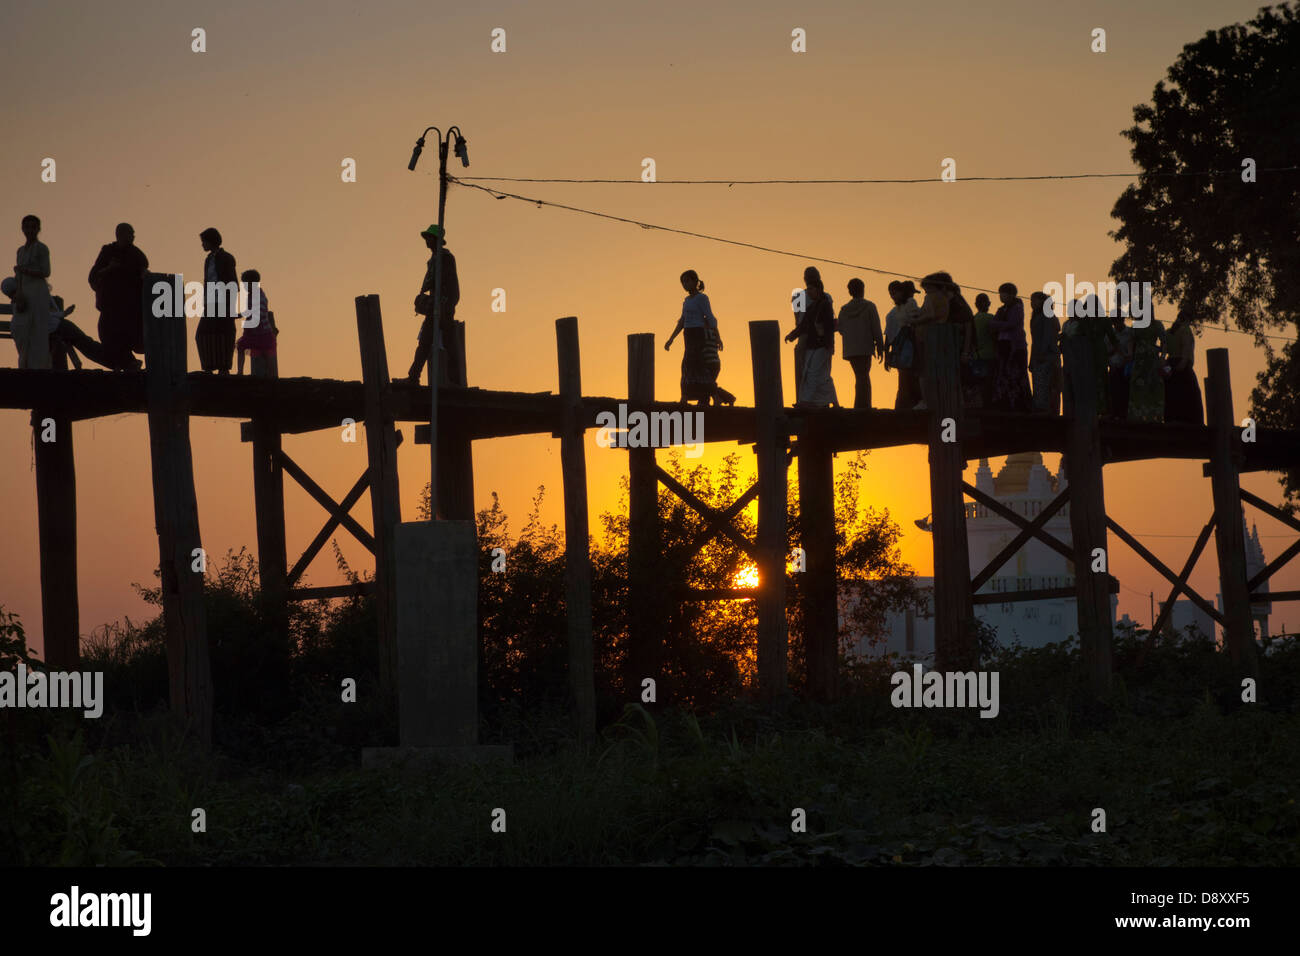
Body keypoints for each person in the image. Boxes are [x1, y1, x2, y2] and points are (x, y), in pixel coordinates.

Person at [405, 223, 462, 386]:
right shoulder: (435, 259)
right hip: (435, 307)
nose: (426, 240)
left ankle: (455, 382)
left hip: (444, 307)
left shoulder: (445, 258)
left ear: (435, 239)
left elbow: (452, 286)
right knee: (424, 342)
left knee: (450, 345)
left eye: (429, 237)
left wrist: (446, 306)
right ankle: (413, 377)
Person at [87, 222, 149, 369]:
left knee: (130, 336)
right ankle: (129, 363)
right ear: (120, 234)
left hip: (131, 306)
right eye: (130, 233)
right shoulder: (108, 252)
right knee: (108, 336)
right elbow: (94, 275)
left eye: (133, 234)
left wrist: (145, 275)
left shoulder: (136, 254)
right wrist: (110, 268)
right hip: (111, 304)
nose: (132, 237)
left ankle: (130, 363)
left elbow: (144, 271)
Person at [665, 269, 728, 405]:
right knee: (687, 366)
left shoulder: (702, 298)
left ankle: (713, 395)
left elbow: (710, 317)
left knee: (695, 364)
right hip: (688, 335)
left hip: (698, 333)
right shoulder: (686, 301)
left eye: (687, 281)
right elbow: (682, 321)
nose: (685, 284)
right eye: (683, 282)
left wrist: (718, 337)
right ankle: (686, 396)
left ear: (695, 281)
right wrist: (671, 339)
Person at [785, 276, 839, 408]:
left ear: (818, 289)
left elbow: (829, 326)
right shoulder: (812, 307)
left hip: (822, 345)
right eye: (808, 289)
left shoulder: (825, 305)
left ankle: (805, 401)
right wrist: (792, 335)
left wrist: (829, 344)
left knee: (813, 373)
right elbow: (804, 325)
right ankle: (834, 402)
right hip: (814, 345)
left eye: (811, 289)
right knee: (822, 376)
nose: (808, 292)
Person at [11, 215, 54, 369]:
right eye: (27, 227)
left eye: (33, 227)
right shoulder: (20, 251)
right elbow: (19, 277)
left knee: (37, 330)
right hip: (24, 293)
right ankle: (24, 365)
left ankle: (39, 368)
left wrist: (25, 270)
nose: (30, 230)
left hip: (38, 292)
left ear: (38, 229)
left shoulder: (42, 248)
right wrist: (17, 291)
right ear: (23, 229)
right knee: (20, 329)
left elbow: (45, 271)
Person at [195, 227, 238, 374]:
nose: (202, 245)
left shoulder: (226, 258)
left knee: (224, 333)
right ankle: (209, 365)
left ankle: (224, 367)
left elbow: (232, 282)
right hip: (211, 301)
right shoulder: (208, 260)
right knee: (203, 333)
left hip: (223, 300)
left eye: (204, 242)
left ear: (211, 241)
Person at [837, 277, 884, 409]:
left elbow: (841, 329)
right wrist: (880, 347)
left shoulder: (844, 310)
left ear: (850, 292)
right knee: (863, 376)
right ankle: (864, 405)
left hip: (850, 349)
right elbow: (876, 328)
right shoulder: (869, 306)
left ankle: (860, 404)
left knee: (859, 376)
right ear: (863, 290)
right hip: (865, 348)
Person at [989, 282, 1031, 411]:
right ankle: (1005, 402)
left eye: (1003, 294)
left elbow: (1011, 324)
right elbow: (993, 324)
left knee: (1016, 374)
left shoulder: (1017, 308)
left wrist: (998, 324)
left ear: (1011, 294)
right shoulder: (1001, 310)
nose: (1001, 296)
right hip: (1002, 345)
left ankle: (1019, 403)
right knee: (1003, 374)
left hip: (1015, 346)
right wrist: (999, 324)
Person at [883, 280, 922, 410]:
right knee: (908, 379)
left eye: (894, 293)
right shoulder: (906, 306)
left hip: (903, 348)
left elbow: (889, 336)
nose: (892, 296)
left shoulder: (897, 310)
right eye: (891, 294)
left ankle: (902, 407)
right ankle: (904, 408)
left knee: (906, 380)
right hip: (906, 348)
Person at [1163, 308, 1204, 425]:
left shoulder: (1168, 332)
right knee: (1189, 394)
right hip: (1182, 366)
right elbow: (1186, 350)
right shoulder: (1185, 330)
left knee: (1171, 393)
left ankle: (1172, 418)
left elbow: (1165, 352)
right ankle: (1190, 421)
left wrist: (1166, 366)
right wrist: (1182, 365)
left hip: (1170, 365)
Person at [1127, 308, 1167, 424]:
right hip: (1139, 359)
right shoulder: (1136, 325)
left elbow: (1164, 342)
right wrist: (1130, 354)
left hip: (1152, 359)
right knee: (1137, 385)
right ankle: (1137, 414)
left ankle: (1154, 415)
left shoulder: (1157, 325)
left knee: (1153, 385)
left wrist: (1162, 357)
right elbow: (1130, 340)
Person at [236, 269, 278, 377]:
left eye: (245, 283)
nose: (244, 286)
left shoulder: (258, 295)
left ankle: (272, 376)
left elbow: (256, 311)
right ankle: (240, 371)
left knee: (267, 353)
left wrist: (240, 315)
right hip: (253, 330)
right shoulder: (253, 295)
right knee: (241, 347)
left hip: (262, 330)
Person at [791, 266, 825, 398]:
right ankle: (820, 400)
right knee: (821, 371)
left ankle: (802, 398)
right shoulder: (826, 296)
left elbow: (797, 319)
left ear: (805, 280)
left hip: (804, 335)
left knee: (802, 370)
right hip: (821, 337)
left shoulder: (797, 295)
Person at [1029, 291, 1062, 414]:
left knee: (1049, 386)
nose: (1032, 303)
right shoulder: (1036, 317)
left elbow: (1047, 338)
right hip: (1038, 357)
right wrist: (1032, 359)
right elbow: (1034, 341)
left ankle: (1048, 411)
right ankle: (1041, 409)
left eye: (1035, 300)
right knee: (1039, 386)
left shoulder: (1048, 316)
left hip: (1048, 357)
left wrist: (1042, 354)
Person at [968, 292, 997, 408]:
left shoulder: (973, 319)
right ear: (989, 304)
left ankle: (978, 404)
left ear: (975, 305)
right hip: (990, 355)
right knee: (989, 383)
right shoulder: (991, 319)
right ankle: (987, 405)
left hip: (976, 356)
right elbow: (995, 337)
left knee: (977, 383)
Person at [1105, 310, 1133, 421]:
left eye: (1118, 321)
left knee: (1125, 392)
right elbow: (1106, 351)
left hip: (1126, 368)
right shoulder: (1109, 335)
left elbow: (1132, 350)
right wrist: (1115, 350)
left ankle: (1124, 414)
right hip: (1114, 366)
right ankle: (1113, 413)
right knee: (1113, 391)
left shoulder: (1130, 333)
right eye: (1114, 322)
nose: (1117, 324)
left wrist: (1127, 355)